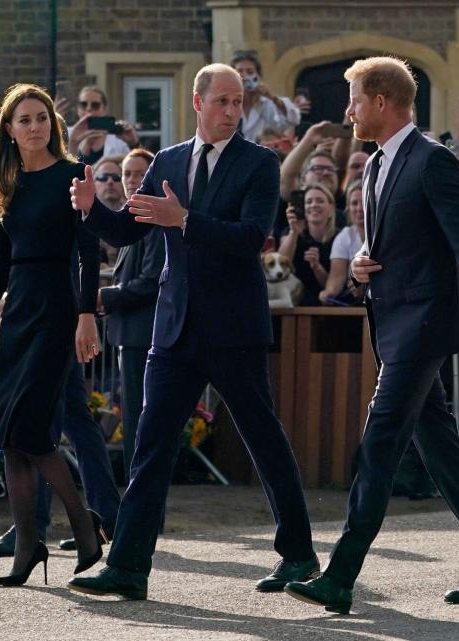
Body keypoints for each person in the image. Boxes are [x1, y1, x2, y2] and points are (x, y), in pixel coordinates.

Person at [67, 63, 317, 600]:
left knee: (264, 440)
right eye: (222, 101)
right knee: (151, 447)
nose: (232, 110)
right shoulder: (171, 159)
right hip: (175, 330)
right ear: (198, 103)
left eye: (239, 102)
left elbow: (250, 238)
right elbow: (131, 229)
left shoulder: (259, 163)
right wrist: (92, 213)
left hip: (234, 329)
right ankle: (129, 567)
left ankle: (298, 556)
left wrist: (183, 220)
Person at [284, 56, 459, 614]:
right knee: (442, 451)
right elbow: (401, 242)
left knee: (379, 444)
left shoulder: (434, 161)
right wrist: (366, 261)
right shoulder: (373, 165)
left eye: (355, 100)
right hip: (393, 321)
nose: (348, 111)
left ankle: (341, 574)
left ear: (383, 103)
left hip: (424, 327)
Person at [0, 83, 104, 586]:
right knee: (9, 436)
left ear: (53, 124)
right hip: (18, 309)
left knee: (32, 430)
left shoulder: (72, 176)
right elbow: (1, 258)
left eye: (41, 117)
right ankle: (28, 544)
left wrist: (87, 314)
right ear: (9, 130)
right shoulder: (10, 183)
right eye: (24, 119)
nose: (35, 126)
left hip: (57, 308)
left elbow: (90, 253)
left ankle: (84, 524)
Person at [101, 147, 165, 477]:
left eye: (139, 174)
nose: (131, 180)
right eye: (127, 174)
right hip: (130, 334)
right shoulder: (132, 218)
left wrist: (104, 298)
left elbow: (150, 281)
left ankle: (141, 501)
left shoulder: (151, 220)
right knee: (133, 419)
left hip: (144, 335)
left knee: (142, 421)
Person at [278, 183, 337, 306]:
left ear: (331, 208)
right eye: (309, 202)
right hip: (294, 301)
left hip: (328, 305)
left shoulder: (340, 237)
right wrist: (294, 232)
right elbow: (280, 266)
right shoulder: (291, 232)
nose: (314, 205)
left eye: (320, 201)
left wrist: (317, 267)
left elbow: (335, 286)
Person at [231, 50, 301, 142]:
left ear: (258, 76)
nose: (245, 76)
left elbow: (293, 119)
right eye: (239, 72)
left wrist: (272, 97)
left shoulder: (268, 104)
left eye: (250, 72)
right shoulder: (228, 105)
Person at [66, 86, 138, 165]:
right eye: (83, 104)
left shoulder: (119, 137)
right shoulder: (66, 134)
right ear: (78, 109)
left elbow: (138, 167)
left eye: (95, 105)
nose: (89, 108)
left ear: (104, 109)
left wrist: (134, 144)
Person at [320, 180, 364, 304]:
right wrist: (328, 293)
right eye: (354, 203)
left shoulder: (387, 233)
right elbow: (336, 279)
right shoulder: (345, 236)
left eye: (365, 201)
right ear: (348, 208)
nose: (359, 208)